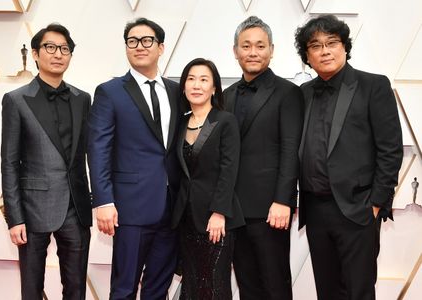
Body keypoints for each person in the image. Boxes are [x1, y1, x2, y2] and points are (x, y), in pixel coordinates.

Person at [294, 14, 403, 300]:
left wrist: (376, 204)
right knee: (327, 291)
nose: (325, 51)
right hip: (315, 209)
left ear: (345, 47)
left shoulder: (373, 86)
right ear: (307, 56)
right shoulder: (302, 93)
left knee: (359, 291)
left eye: (332, 43)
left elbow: (390, 149)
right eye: (315, 46)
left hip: (358, 209)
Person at [87, 18, 180, 299]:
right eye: (132, 41)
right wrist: (103, 200)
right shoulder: (110, 91)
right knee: (124, 288)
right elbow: (98, 148)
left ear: (161, 47)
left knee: (158, 288)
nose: (139, 46)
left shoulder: (176, 91)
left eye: (147, 40)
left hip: (172, 207)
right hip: (130, 208)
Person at [1, 23, 92, 300]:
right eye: (50, 47)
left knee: (76, 288)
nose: (58, 54)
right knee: (31, 288)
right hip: (32, 211)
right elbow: (9, 161)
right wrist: (14, 218)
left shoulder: (82, 99)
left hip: (75, 209)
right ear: (36, 54)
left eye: (65, 49)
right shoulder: (16, 100)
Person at [223, 16, 304, 299]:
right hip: (234, 209)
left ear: (271, 49)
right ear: (236, 51)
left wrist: (283, 200)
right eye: (246, 46)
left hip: (271, 209)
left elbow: (291, 148)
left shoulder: (288, 93)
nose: (253, 52)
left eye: (260, 45)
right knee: (247, 285)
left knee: (275, 284)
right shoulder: (226, 95)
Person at [172, 58, 245, 299]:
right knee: (191, 284)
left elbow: (229, 169)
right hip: (186, 219)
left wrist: (219, 212)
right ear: (183, 86)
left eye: (204, 80)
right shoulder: (180, 122)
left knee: (214, 283)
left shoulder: (225, 120)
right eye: (191, 79)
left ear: (214, 88)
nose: (197, 85)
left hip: (216, 219)